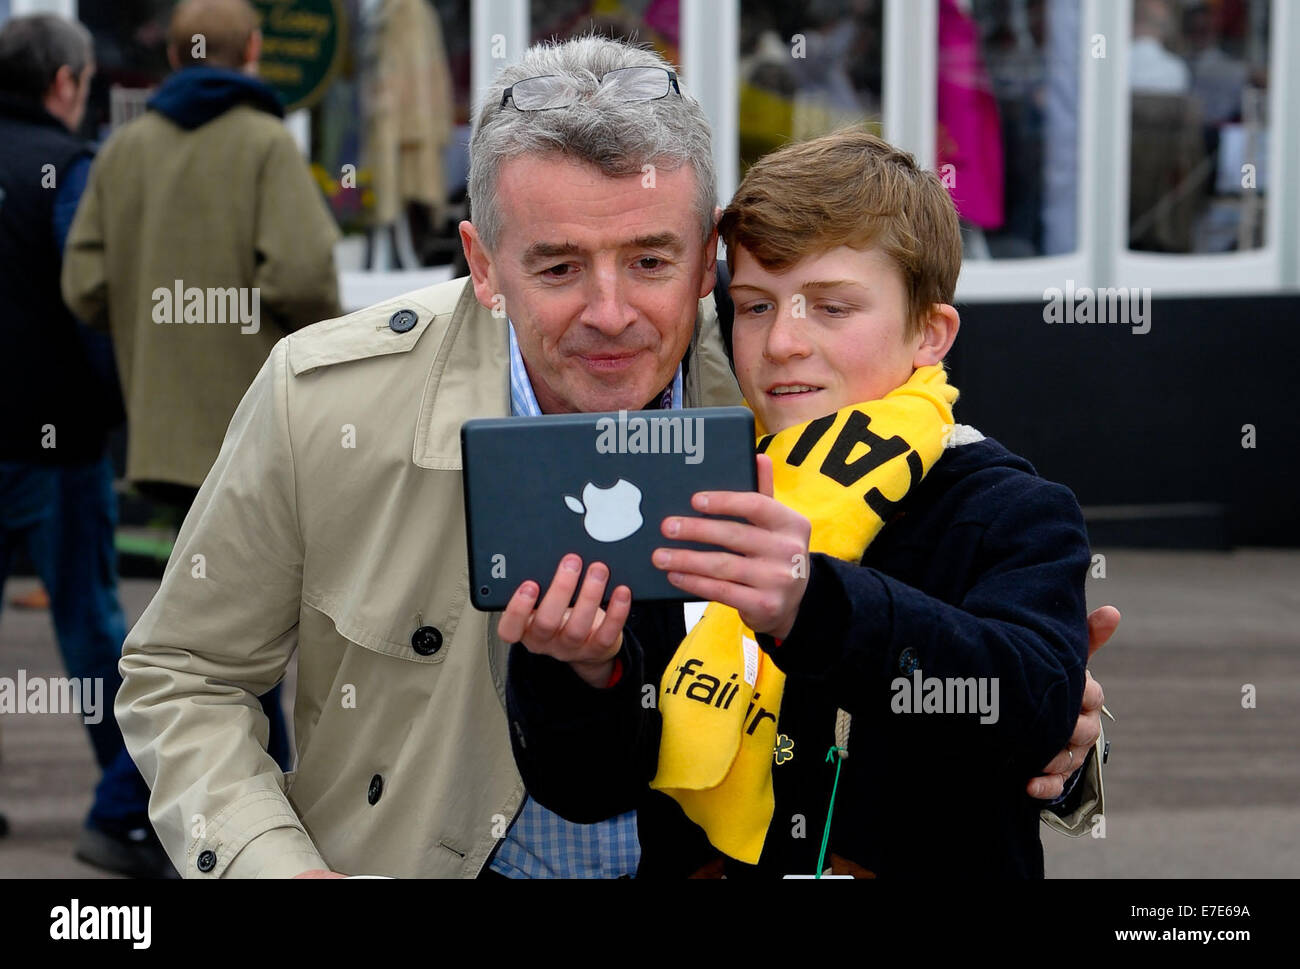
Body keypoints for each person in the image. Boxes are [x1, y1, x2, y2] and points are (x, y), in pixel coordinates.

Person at [112, 36, 1110, 879]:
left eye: (649, 260)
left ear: (708, 253)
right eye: (556, 267)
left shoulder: (789, 396)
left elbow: (950, 621)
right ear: (482, 263)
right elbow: (182, 679)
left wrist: (1057, 742)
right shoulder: (325, 400)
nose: (609, 313)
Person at [503, 128, 1109, 877]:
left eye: (830, 307)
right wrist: (586, 674)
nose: (783, 341)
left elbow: (1030, 709)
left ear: (930, 331)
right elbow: (590, 787)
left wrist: (813, 606)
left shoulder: (1010, 508)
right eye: (755, 307)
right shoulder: (691, 491)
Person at [63, 0, 343, 779]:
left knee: (200, 641)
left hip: (160, 430)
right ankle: (205, 813)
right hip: (259, 429)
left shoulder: (125, 149)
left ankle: (171, 808)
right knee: (251, 648)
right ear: (253, 48)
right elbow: (302, 274)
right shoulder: (262, 143)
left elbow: (83, 283)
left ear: (171, 54)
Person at [0, 12, 171, 878]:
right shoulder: (65, 169)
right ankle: (129, 804)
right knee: (92, 624)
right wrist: (120, 398)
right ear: (64, 85)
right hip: (55, 437)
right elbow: (90, 294)